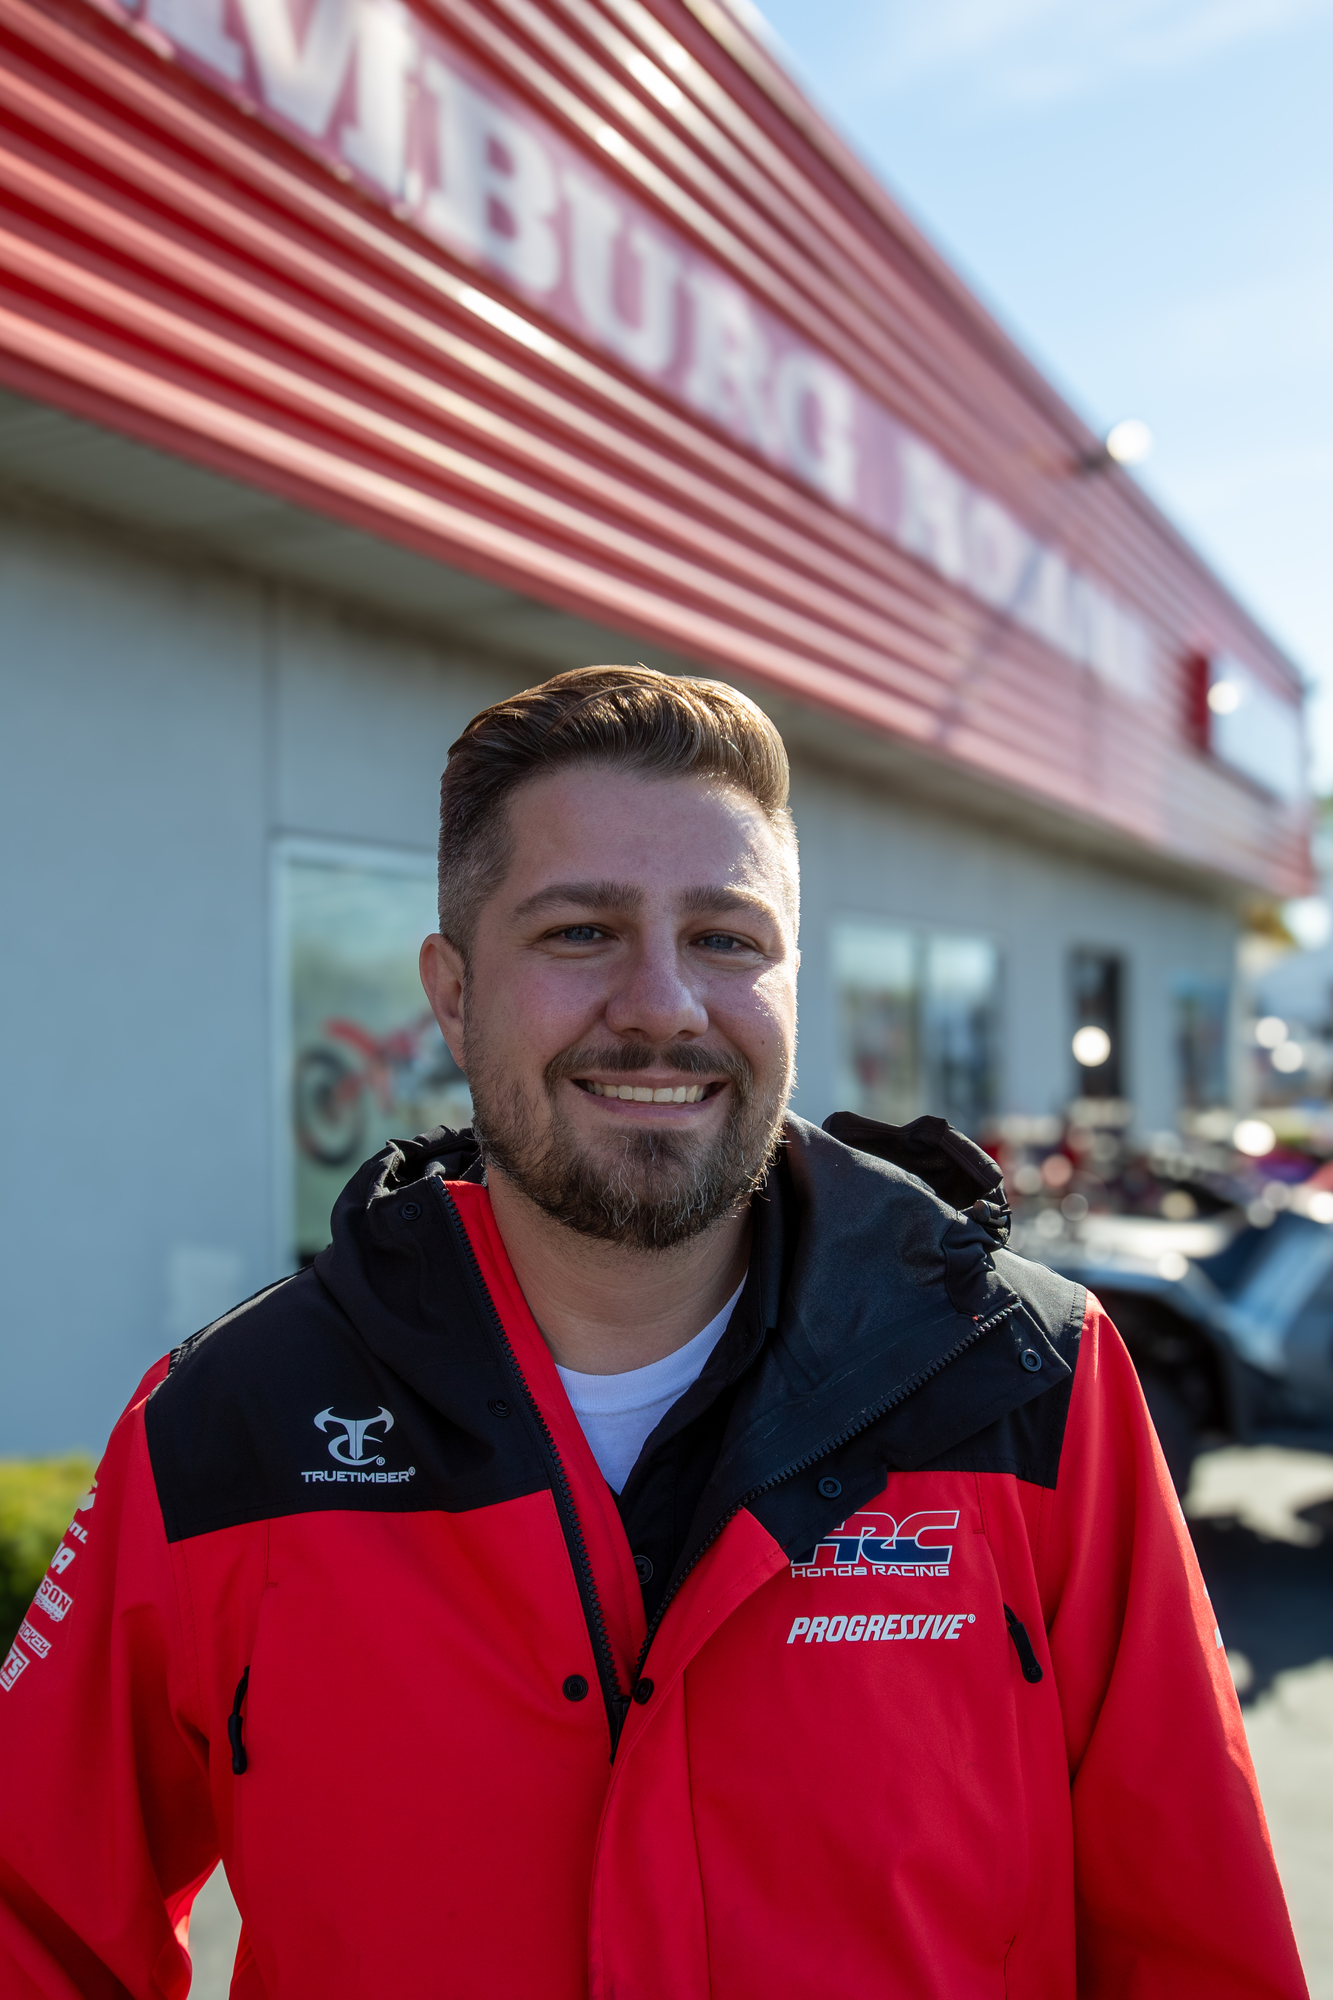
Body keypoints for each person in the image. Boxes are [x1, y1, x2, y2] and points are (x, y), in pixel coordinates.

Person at [0, 666, 1305, 1999]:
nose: (664, 1005)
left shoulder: (1029, 1382)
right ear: (451, 993)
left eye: (728, 940)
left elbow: (1199, 1953)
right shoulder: (231, 1428)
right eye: (579, 933)